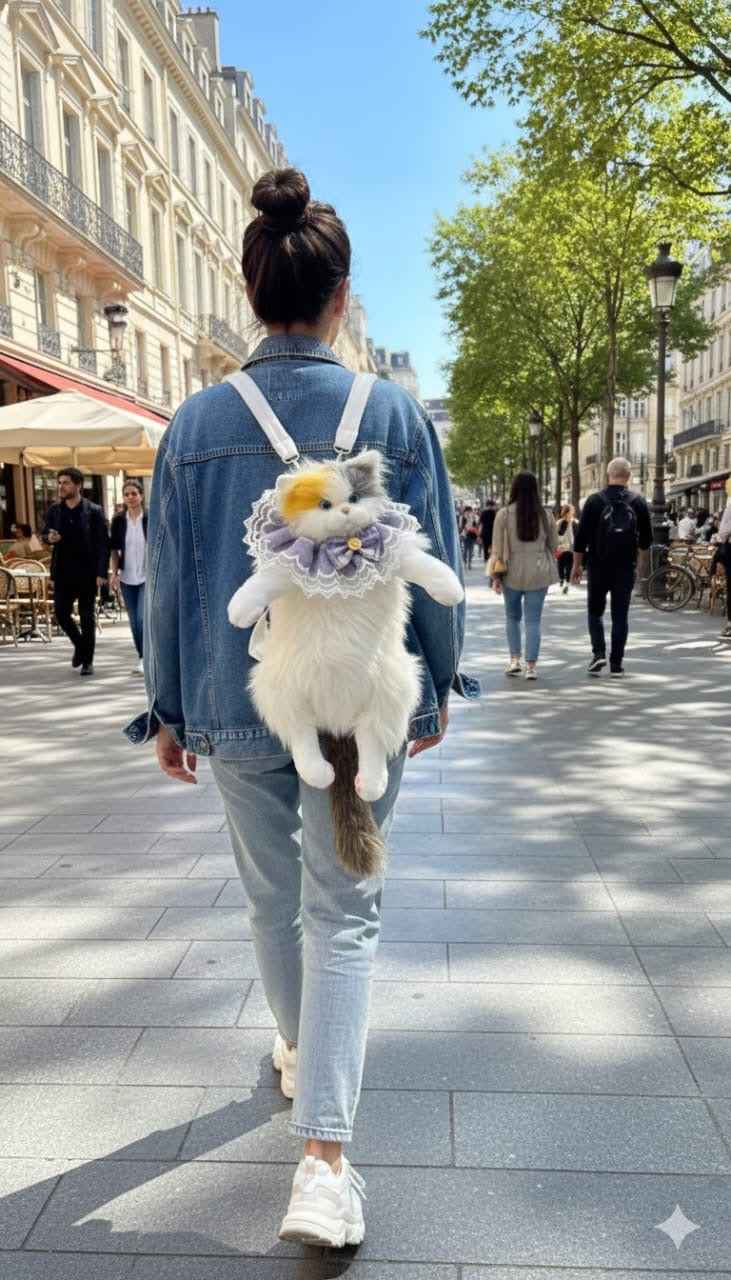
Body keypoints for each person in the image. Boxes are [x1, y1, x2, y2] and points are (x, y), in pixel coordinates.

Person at [125, 167, 475, 1248]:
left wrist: (168, 707)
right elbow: (437, 562)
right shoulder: (394, 415)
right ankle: (323, 1162)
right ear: (340, 297)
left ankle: (295, 1051)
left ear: (251, 291)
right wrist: (438, 685)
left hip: (240, 698)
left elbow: (167, 579)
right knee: (346, 910)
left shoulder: (194, 422)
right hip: (363, 698)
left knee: (272, 900)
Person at [572, 457, 652, 677]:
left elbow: (580, 539)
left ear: (608, 475)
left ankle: (598, 653)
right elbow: (646, 541)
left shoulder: (594, 501)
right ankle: (616, 664)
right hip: (625, 567)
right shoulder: (638, 502)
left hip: (598, 566)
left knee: (595, 612)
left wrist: (576, 566)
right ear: (629, 476)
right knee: (620, 616)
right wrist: (639, 566)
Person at [490, 471, 558, 679]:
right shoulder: (546, 515)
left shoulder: (503, 514)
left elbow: (497, 549)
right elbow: (553, 545)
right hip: (539, 572)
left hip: (511, 572)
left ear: (514, 489)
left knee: (512, 618)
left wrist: (495, 577)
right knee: (533, 620)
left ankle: (514, 661)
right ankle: (531, 667)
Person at [41, 468, 108, 676]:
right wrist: (48, 538)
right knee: (61, 613)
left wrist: (101, 573)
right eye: (59, 482)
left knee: (87, 617)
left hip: (87, 571)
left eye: (66, 482)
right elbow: (44, 534)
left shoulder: (94, 510)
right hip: (62, 571)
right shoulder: (54, 510)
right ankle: (80, 645)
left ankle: (88, 662)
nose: (61, 486)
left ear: (78, 485)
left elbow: (102, 544)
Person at [110, 480, 148, 675]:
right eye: (127, 494)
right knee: (134, 621)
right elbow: (114, 550)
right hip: (127, 577)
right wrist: (114, 573)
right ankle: (142, 657)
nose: (130, 497)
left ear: (141, 495)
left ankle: (147, 658)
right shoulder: (118, 520)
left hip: (147, 577)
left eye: (134, 493)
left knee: (142, 619)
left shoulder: (150, 517)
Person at [555, 503, 578, 594]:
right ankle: (561, 580)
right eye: (569, 511)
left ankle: (567, 584)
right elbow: (555, 535)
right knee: (560, 566)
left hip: (571, 549)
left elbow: (578, 536)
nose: (571, 513)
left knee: (569, 567)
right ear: (565, 512)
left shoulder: (575, 522)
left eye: (572, 511)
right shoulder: (559, 522)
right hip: (561, 548)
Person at [480, 500, 497, 566]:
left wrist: (480, 534)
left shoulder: (483, 513)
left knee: (485, 546)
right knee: (493, 546)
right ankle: (491, 559)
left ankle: (486, 559)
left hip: (485, 532)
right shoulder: (494, 513)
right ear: (492, 505)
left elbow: (481, 524)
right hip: (493, 532)